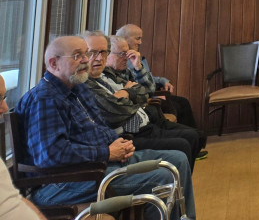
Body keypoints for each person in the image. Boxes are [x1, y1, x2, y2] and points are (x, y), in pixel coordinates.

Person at [14, 36, 196, 218]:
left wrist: (120, 144)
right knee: (164, 177)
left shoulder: (77, 88)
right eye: (77, 56)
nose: (85, 60)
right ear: (54, 63)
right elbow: (52, 155)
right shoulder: (44, 99)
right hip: (61, 183)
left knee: (178, 159)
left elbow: (99, 126)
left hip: (95, 166)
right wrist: (107, 152)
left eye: (85, 54)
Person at [84, 32, 203, 168]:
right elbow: (116, 111)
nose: (100, 58)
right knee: (185, 143)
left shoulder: (109, 75)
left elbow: (146, 91)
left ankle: (179, 179)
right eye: (92, 53)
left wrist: (126, 91)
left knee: (194, 135)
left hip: (144, 122)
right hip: (129, 135)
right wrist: (131, 97)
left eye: (103, 52)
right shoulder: (91, 81)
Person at [115, 23, 198, 129]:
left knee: (183, 102)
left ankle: (190, 134)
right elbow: (140, 85)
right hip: (143, 100)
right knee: (179, 104)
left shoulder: (137, 57)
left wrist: (163, 81)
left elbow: (148, 78)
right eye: (137, 38)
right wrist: (154, 93)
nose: (140, 42)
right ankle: (186, 134)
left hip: (151, 93)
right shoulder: (123, 62)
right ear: (124, 38)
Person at [0, 75, 47, 220]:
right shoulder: (44, 100)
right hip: (50, 183)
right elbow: (51, 157)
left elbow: (14, 198)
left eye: (3, 97)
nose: (5, 108)